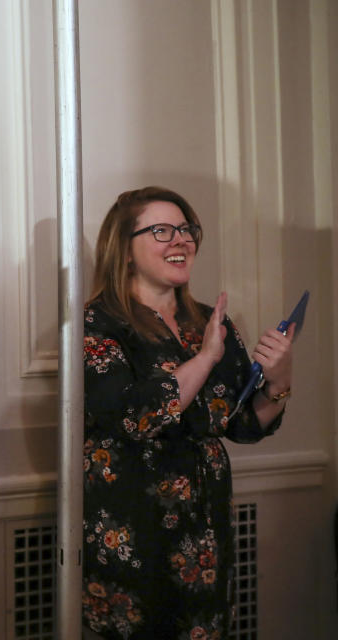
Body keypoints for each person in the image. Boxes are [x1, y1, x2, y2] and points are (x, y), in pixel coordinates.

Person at [81, 187, 293, 638]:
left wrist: (278, 380)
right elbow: (130, 416)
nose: (180, 240)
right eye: (161, 230)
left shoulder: (207, 321)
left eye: (186, 229)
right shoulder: (98, 322)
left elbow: (240, 425)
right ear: (126, 251)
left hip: (205, 525)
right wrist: (204, 360)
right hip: (132, 526)